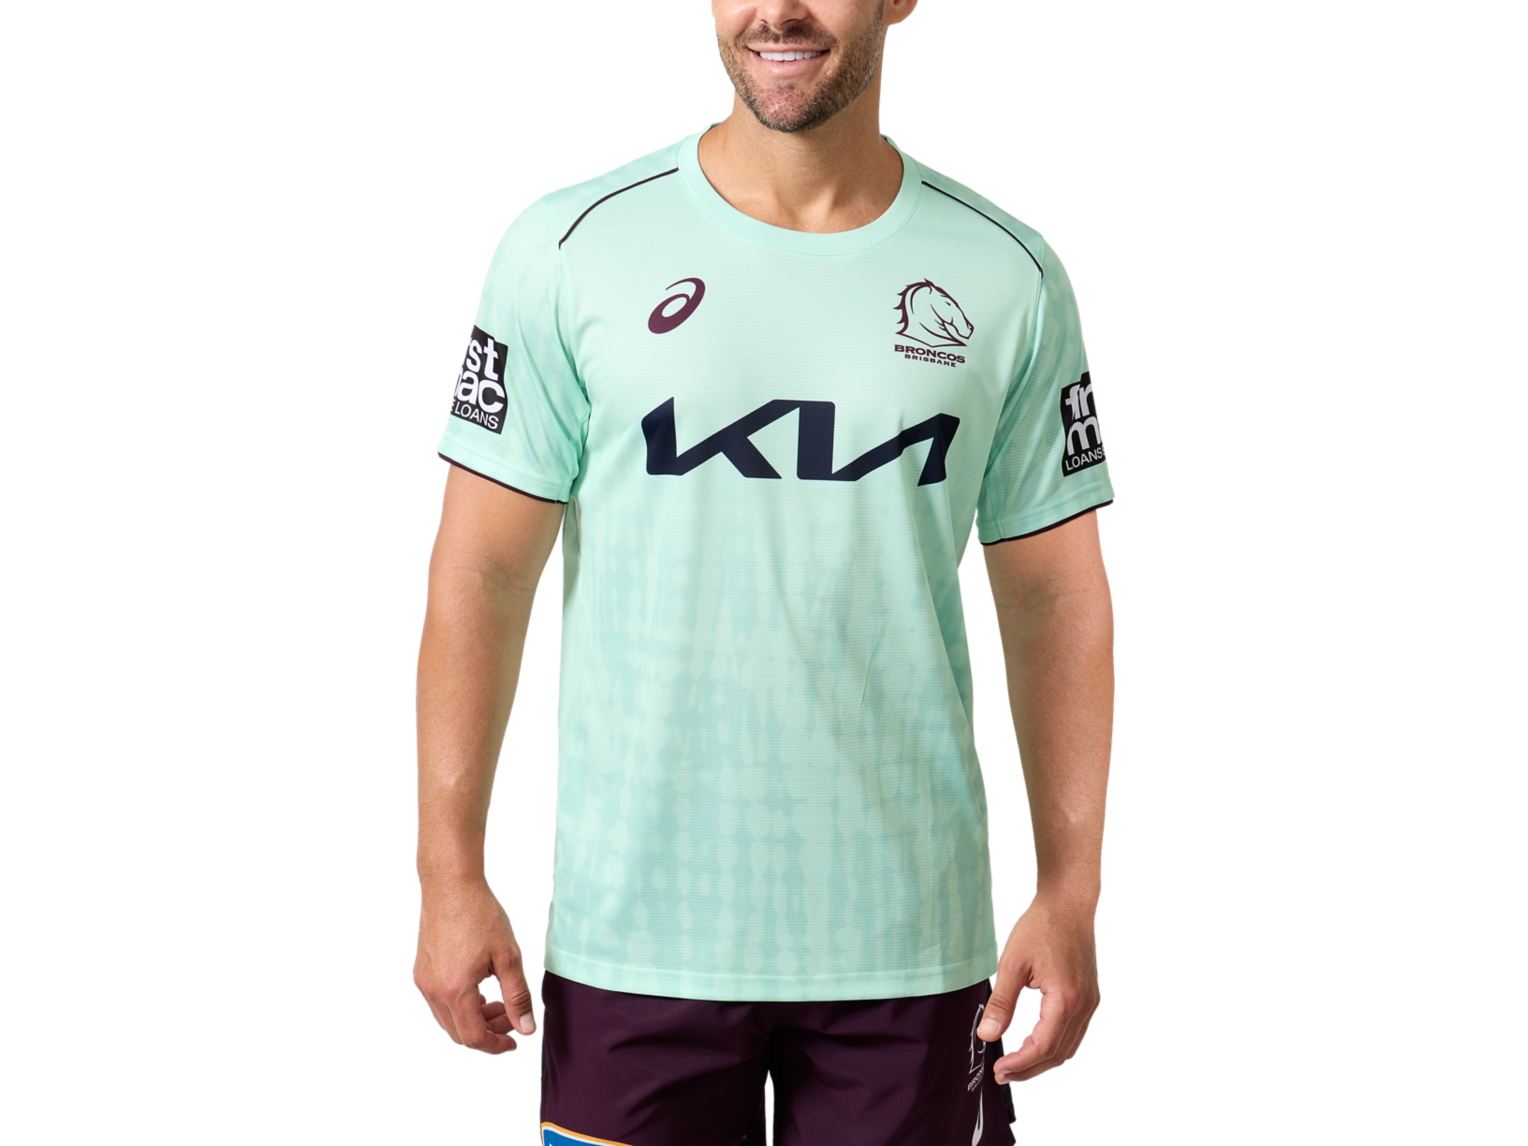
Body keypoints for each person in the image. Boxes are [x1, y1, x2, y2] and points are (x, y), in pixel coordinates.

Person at [413, 1, 1114, 1142]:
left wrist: (1070, 892)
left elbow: (1054, 597)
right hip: (637, 941)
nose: (777, 8)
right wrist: (449, 873)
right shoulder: (571, 249)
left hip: (912, 948)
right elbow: (481, 574)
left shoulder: (1006, 273)